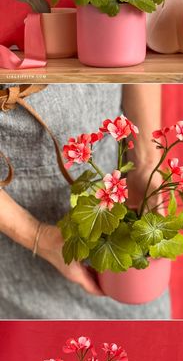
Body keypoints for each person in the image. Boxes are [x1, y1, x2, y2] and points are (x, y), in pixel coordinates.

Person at [0, 82, 171, 320]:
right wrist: (38, 235)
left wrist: (145, 165)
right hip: (11, 240)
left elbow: (135, 58)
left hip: (112, 177)